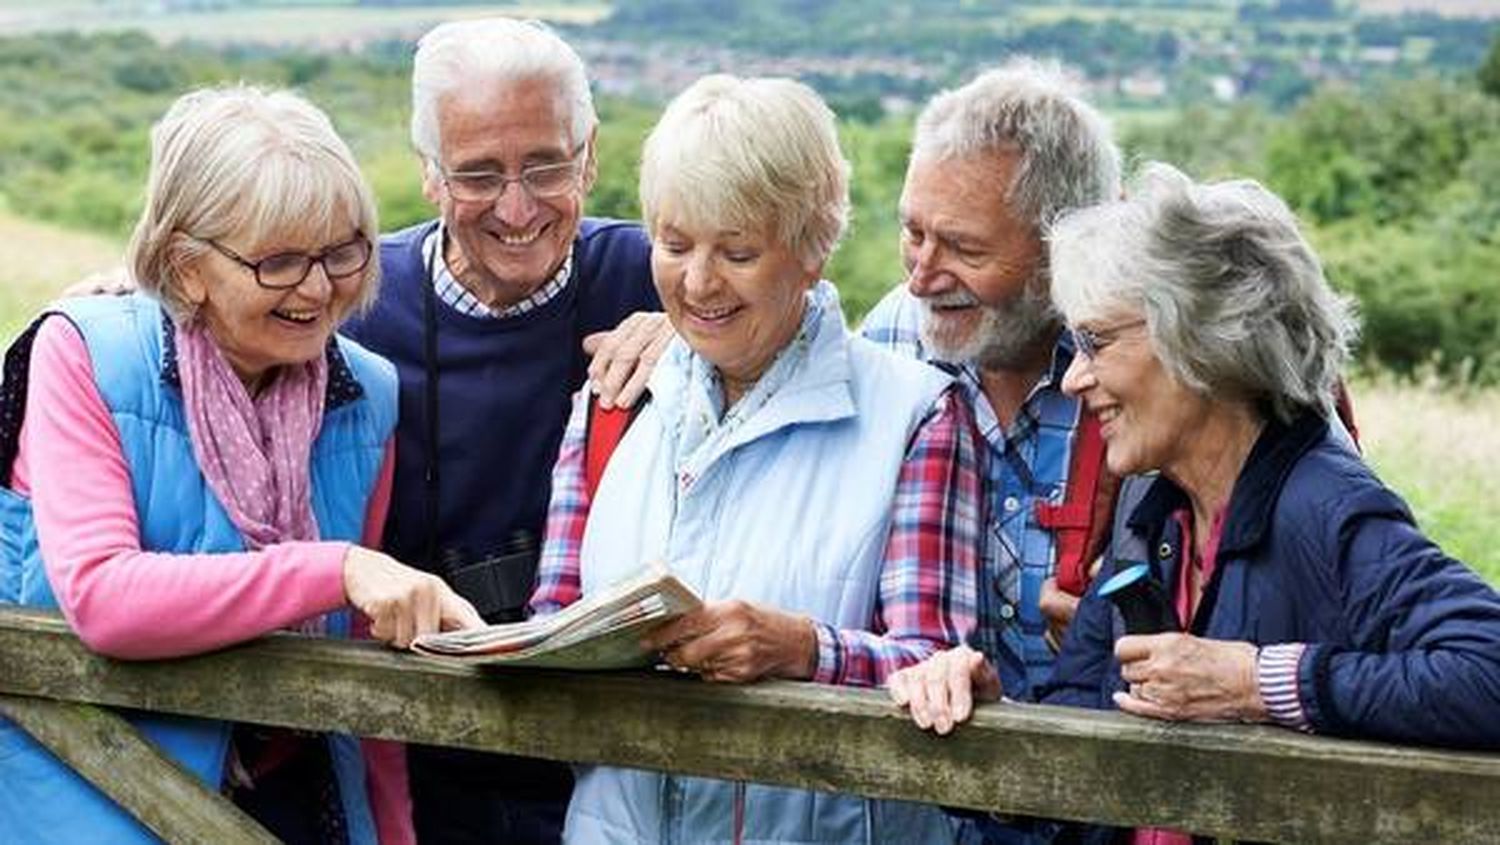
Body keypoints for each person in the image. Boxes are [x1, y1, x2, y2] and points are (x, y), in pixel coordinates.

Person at [892, 165, 1500, 831]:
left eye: (1096, 341)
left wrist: (1255, 682)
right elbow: (1072, 747)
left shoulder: (1322, 503)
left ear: (1202, 335)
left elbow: (1487, 669)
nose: (1073, 377)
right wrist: (983, 710)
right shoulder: (1154, 516)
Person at [0, 85, 482, 844]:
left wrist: (389, 830)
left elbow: (365, 647)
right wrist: (336, 566)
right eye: (281, 260)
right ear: (188, 265)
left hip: (292, 797)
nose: (320, 288)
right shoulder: (87, 353)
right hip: (92, 799)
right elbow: (100, 594)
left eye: (341, 250)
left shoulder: (368, 391)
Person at [529, 74, 983, 844]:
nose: (698, 281)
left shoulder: (915, 416)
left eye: (737, 251)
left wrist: (805, 649)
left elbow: (937, 672)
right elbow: (552, 621)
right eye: (673, 245)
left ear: (813, 247)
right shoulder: (611, 405)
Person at [335, 17, 664, 844]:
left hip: (619, 765)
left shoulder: (660, 277)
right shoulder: (360, 302)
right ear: (429, 177)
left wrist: (695, 336)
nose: (517, 208)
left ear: (589, 153)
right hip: (417, 754)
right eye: (479, 174)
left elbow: (802, 318)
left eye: (545, 166)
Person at [860, 60, 1123, 703]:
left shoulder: (1146, 365)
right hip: (930, 788)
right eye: (913, 232)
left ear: (1065, 247)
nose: (921, 277)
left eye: (964, 250)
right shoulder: (892, 335)